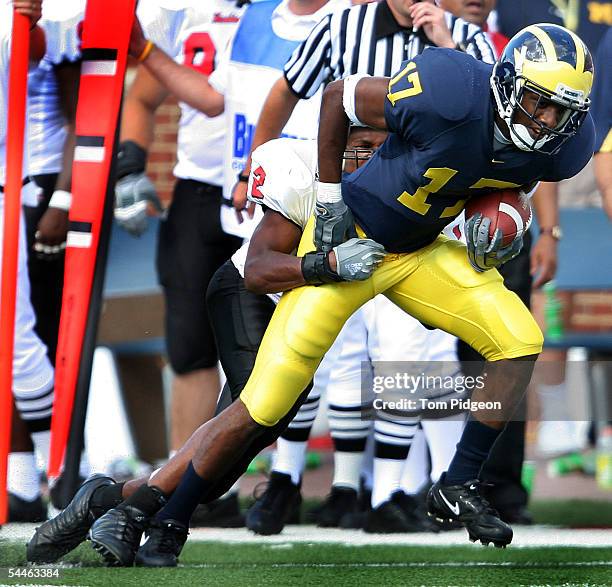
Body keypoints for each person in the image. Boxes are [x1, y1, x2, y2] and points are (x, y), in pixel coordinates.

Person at [28, 23, 595, 564]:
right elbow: (259, 267)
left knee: (519, 337)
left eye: (559, 112)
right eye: (363, 142)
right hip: (301, 270)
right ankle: (150, 512)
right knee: (263, 412)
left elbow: (503, 178)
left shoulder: (551, 146)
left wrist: (503, 223)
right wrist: (327, 236)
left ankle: (458, 482)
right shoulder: (310, 161)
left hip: (413, 251)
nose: (546, 122)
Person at [243, 0, 497, 535]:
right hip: (340, 199)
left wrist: (445, 43)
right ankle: (287, 483)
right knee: (325, 348)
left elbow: (488, 122)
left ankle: (384, 494)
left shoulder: (467, 39)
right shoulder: (342, 25)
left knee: (405, 352)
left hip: (418, 218)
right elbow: (289, 90)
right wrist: (256, 162)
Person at [115, 0, 248, 526]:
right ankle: (185, 483)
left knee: (261, 345)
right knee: (190, 345)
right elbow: (143, 95)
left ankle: (256, 480)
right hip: (198, 191)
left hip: (269, 190)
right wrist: (130, 165)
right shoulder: (186, 10)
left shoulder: (287, 14)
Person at [1, 0, 55, 523]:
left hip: (8, 186)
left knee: (17, 341)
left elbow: (32, 52)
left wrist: (30, 21)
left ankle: (63, 473)